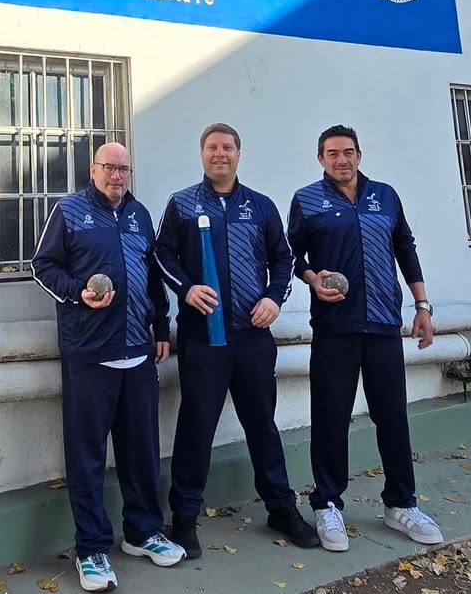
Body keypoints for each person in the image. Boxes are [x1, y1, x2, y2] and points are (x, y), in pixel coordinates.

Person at [155, 123, 319, 559]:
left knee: (262, 426)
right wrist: (186, 289)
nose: (220, 154)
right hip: (203, 340)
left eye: (227, 147)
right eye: (212, 147)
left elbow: (283, 260)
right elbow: (161, 254)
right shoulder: (182, 204)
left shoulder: (260, 206)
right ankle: (185, 519)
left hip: (252, 339)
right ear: (202, 153)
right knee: (196, 428)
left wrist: (273, 299)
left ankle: (282, 509)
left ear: (239, 154)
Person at [33, 142, 185, 592]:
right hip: (89, 353)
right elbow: (43, 266)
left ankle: (141, 533)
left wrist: (161, 326)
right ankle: (93, 549)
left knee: (141, 448)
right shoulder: (69, 211)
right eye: (109, 167)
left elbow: (153, 274)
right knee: (87, 455)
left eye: (124, 168)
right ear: (93, 170)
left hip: (138, 351)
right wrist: (79, 292)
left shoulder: (140, 215)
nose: (117, 175)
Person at [288, 125, 441, 552]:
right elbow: (292, 253)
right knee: (331, 418)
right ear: (320, 159)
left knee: (392, 416)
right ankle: (327, 504)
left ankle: (401, 504)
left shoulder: (385, 196)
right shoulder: (306, 200)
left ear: (360, 154)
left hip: (383, 326)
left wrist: (423, 307)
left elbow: (405, 247)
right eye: (333, 153)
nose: (342, 160)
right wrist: (311, 277)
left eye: (349, 152)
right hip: (335, 328)